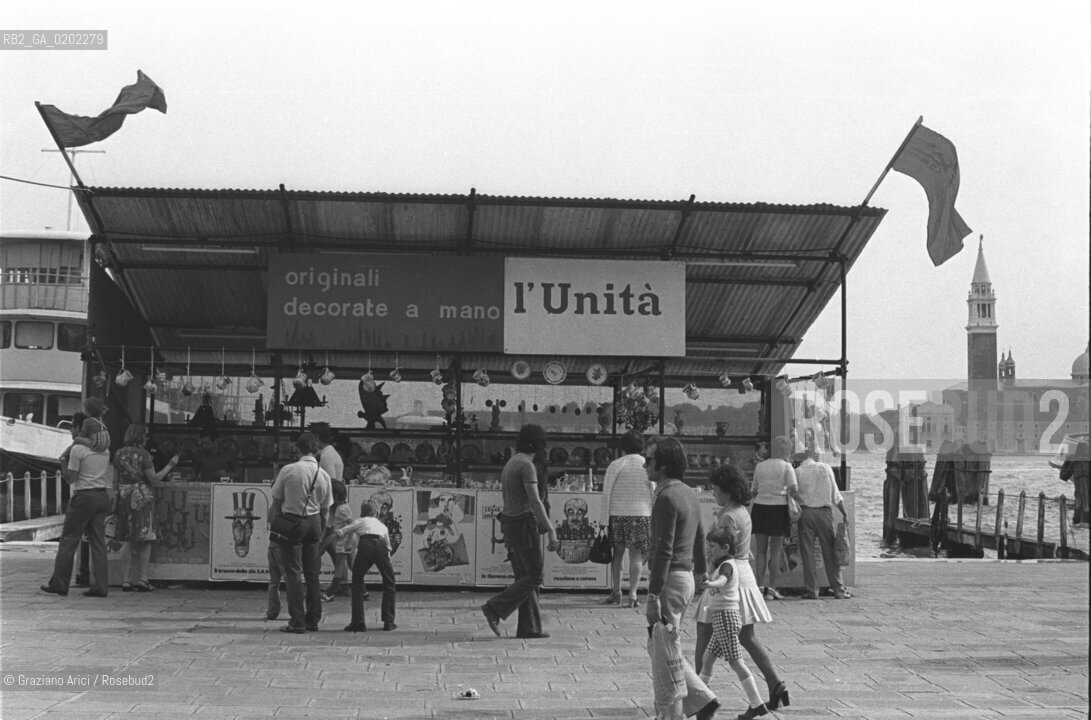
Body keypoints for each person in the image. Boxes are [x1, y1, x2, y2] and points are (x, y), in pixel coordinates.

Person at [695, 464, 787, 710]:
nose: (713, 494)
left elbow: (720, 549)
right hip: (744, 572)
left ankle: (698, 693)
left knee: (704, 632)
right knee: (747, 635)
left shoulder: (727, 516)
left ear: (727, 491)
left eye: (716, 490)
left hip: (728, 575)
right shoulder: (743, 511)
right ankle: (775, 683)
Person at [643, 436, 719, 720]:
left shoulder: (665, 498)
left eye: (648, 460)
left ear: (662, 465)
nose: (644, 465)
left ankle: (673, 712)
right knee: (663, 644)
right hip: (685, 577)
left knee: (664, 650)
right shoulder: (688, 492)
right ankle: (701, 698)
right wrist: (700, 573)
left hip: (670, 579)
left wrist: (652, 594)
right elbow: (700, 537)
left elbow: (663, 548)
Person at [481, 424, 559, 639]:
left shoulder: (512, 462)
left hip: (510, 522)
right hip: (523, 523)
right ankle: (494, 608)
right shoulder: (527, 465)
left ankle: (529, 627)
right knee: (535, 575)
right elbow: (535, 500)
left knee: (523, 577)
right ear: (538, 444)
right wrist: (550, 529)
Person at [698, 527, 771, 720]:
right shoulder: (720, 563)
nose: (709, 549)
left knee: (736, 662)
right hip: (721, 618)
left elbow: (722, 581)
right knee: (707, 659)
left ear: (725, 547)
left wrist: (709, 584)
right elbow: (713, 575)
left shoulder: (727, 566)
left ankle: (756, 703)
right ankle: (700, 700)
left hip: (727, 618)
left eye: (712, 546)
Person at [40, 411, 113, 598]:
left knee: (69, 540)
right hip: (101, 496)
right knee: (98, 543)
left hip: (83, 497)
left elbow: (70, 479)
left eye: (73, 426)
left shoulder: (77, 450)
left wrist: (63, 464)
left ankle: (59, 583)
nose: (71, 430)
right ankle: (101, 586)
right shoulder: (104, 450)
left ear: (80, 429)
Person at [269, 432, 333, 634]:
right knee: (312, 573)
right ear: (316, 451)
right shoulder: (323, 475)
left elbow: (276, 503)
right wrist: (321, 531)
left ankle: (297, 621)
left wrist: (273, 524)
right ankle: (313, 619)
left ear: (298, 449)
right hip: (314, 522)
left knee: (293, 572)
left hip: (292, 522)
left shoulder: (288, 470)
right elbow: (326, 509)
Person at [112, 424, 180, 592]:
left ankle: (126, 580)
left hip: (125, 497)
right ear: (140, 437)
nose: (147, 439)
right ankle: (143, 578)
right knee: (145, 539)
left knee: (127, 539)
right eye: (146, 436)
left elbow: (114, 481)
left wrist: (116, 498)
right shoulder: (144, 455)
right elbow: (155, 478)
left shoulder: (118, 454)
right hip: (143, 497)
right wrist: (171, 464)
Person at [599, 430, 653, 607]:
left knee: (618, 554)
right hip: (642, 513)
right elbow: (654, 491)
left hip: (618, 513)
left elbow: (606, 492)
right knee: (636, 556)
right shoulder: (647, 464)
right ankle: (633, 593)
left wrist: (603, 521)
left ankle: (616, 591)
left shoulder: (616, 464)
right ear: (642, 447)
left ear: (623, 446)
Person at [792, 448, 850, 600]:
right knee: (830, 551)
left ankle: (812, 591)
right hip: (824, 513)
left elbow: (793, 495)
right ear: (813, 455)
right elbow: (835, 495)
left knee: (807, 553)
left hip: (805, 514)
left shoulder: (797, 472)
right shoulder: (825, 468)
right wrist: (844, 513)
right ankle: (838, 590)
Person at [336, 501, 397, 631]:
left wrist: (323, 544)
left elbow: (341, 532)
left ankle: (358, 622)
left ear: (362, 512)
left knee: (357, 582)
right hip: (381, 546)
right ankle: (389, 621)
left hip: (365, 545)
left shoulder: (360, 521)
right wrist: (388, 563)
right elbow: (388, 547)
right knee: (389, 583)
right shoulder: (382, 526)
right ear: (375, 513)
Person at [749, 435, 797, 601]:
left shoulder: (760, 466)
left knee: (761, 551)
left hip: (760, 507)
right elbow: (794, 488)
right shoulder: (787, 467)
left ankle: (759, 586)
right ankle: (772, 589)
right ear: (786, 450)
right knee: (776, 550)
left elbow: (754, 489)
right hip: (779, 508)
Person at [321, 480, 356, 601]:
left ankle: (330, 592)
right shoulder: (342, 507)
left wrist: (347, 542)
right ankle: (361, 591)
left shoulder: (340, 509)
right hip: (343, 538)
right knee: (350, 564)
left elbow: (350, 525)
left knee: (340, 565)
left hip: (341, 538)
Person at [1059, 441, 1090, 527]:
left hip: (1079, 496)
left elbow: (1063, 476)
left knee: (1079, 508)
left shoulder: (1074, 460)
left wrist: (1067, 461)